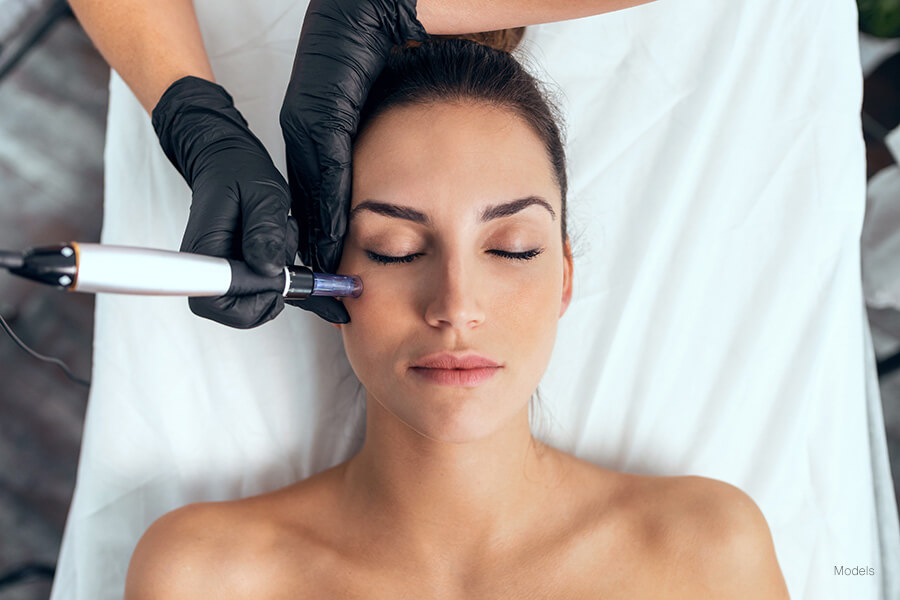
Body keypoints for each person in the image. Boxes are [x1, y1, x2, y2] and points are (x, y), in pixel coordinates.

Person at [123, 39, 789, 598]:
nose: (456, 306)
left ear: (564, 276)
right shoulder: (205, 575)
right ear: (323, 283)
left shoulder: (707, 553)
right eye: (396, 250)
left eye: (511, 248)